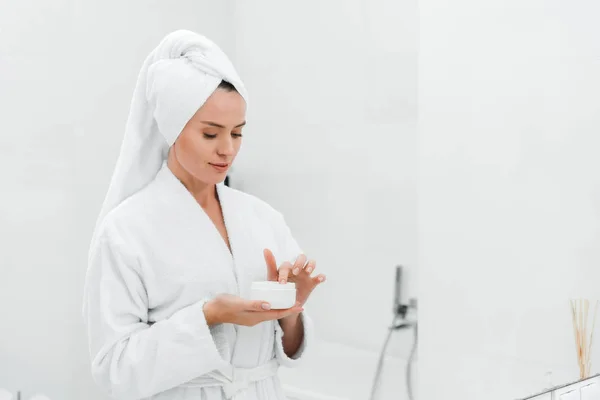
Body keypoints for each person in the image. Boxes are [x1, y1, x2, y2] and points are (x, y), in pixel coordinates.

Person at [82, 30, 326, 400]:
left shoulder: (263, 218)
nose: (227, 150)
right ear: (173, 128)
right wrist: (209, 315)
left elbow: (289, 347)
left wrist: (291, 309)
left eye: (237, 133)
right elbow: (114, 368)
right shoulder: (126, 230)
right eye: (210, 134)